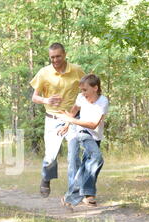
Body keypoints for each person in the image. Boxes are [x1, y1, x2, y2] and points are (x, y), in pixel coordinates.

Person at [30, 43, 85, 198]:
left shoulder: (76, 70)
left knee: (73, 155)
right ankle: (46, 178)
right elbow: (34, 97)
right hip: (52, 119)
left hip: (73, 118)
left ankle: (74, 192)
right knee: (50, 156)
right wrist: (46, 100)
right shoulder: (44, 73)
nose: (55, 60)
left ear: (65, 54)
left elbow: (85, 92)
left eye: (58, 56)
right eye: (52, 57)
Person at [57, 74, 109, 207]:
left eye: (85, 90)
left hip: (95, 134)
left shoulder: (103, 101)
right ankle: (82, 194)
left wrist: (71, 120)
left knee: (88, 164)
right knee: (97, 158)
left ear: (95, 88)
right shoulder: (81, 98)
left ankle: (79, 196)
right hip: (82, 132)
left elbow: (93, 125)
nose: (82, 93)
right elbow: (74, 111)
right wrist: (67, 125)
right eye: (81, 90)